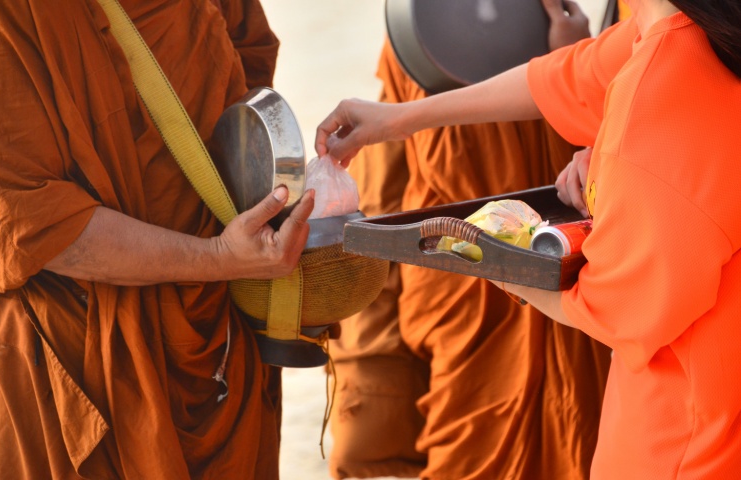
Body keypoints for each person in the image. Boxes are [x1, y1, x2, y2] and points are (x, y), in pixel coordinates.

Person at [317, 0, 741, 477]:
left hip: (686, 441)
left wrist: (497, 266)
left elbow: (614, 306)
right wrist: (400, 119)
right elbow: (566, 76)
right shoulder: (689, 28)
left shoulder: (663, 82)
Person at [0, 1, 315, 478]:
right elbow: (38, 222)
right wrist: (217, 256)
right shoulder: (0, 13)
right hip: (84, 353)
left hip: (219, 329)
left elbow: (250, 67)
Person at [327, 2, 615, 479]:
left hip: (565, 289)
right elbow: (382, 211)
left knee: (582, 444)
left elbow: (624, 163)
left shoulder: (571, 38)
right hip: (466, 311)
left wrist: (578, 59)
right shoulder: (418, 48)